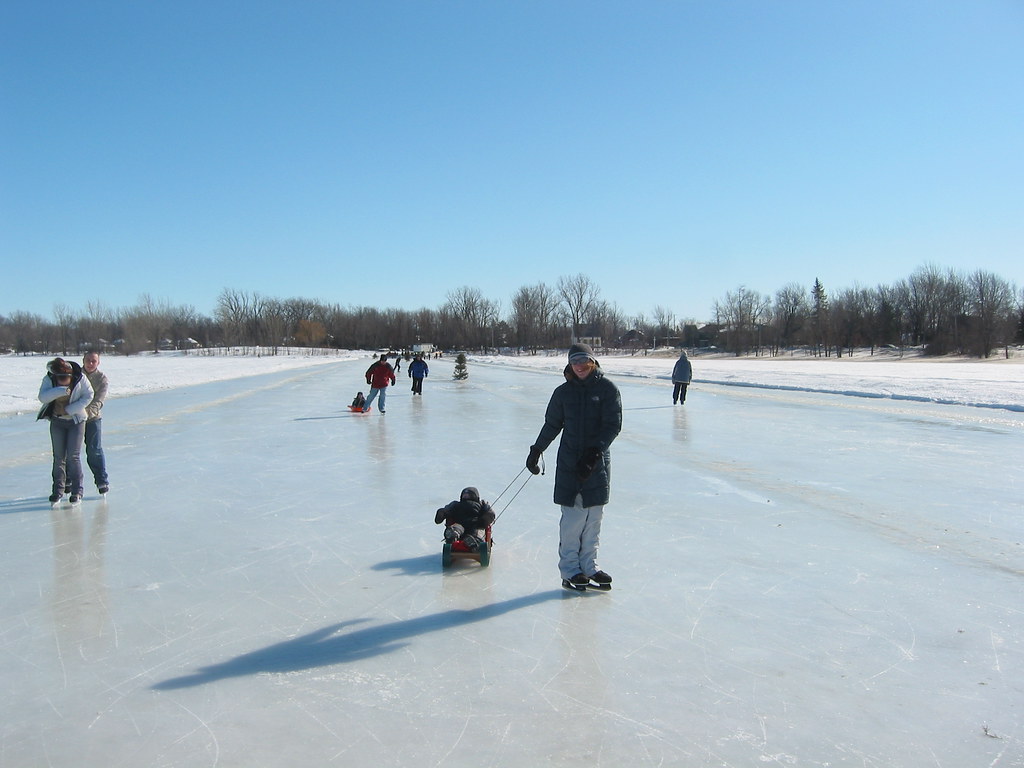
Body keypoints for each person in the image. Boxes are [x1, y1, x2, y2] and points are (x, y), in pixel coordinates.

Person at [526, 343, 622, 590]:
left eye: (583, 361)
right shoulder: (562, 393)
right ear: (569, 364)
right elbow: (552, 424)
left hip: (597, 463)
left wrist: (595, 452)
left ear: (592, 362)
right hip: (570, 462)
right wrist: (537, 449)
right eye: (574, 362)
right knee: (573, 519)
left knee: (593, 518)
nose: (579, 366)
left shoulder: (607, 389)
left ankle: (590, 567)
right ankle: (570, 570)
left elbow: (613, 425)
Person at [37, 357, 94, 505]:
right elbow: (42, 397)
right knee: (58, 457)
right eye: (60, 378)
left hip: (76, 421)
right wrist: (60, 390)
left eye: (65, 378)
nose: (63, 380)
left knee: (73, 457)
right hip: (57, 422)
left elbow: (89, 395)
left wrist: (71, 409)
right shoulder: (49, 379)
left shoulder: (80, 378)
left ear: (70, 376)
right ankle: (58, 491)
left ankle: (77, 491)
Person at [434, 486, 495, 552]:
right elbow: (447, 510)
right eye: (464, 495)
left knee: (478, 532)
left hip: (476, 525)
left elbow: (490, 513)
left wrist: (485, 519)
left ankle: (473, 542)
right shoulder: (456, 504)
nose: (466, 496)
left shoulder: (481, 504)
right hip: (460, 524)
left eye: (468, 495)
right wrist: (442, 513)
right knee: (455, 528)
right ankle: (452, 535)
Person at [82, 351, 110, 494]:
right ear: (83, 360)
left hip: (92, 418)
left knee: (94, 450)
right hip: (73, 418)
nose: (90, 363)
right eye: (88, 360)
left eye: (94, 361)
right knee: (69, 452)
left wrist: (85, 414)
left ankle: (101, 481)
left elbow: (98, 401)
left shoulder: (102, 379)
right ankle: (68, 481)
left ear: (98, 363)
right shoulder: (75, 375)